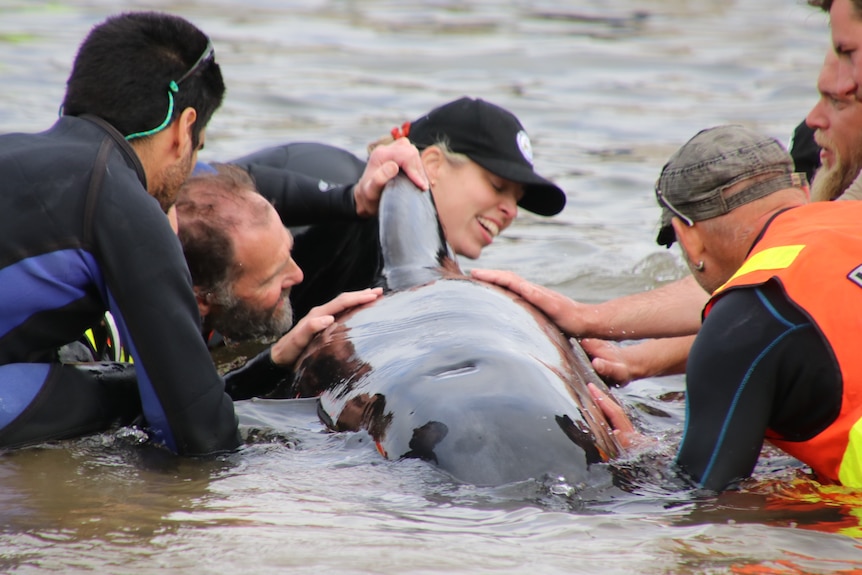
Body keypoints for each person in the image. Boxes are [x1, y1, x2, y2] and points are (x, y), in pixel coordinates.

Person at [498, 125, 862, 491]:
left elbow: (703, 498)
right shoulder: (850, 221)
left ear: (689, 239)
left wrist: (643, 458)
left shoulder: (742, 323)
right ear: (800, 191)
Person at [0, 12, 244, 453]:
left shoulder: (12, 148)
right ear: (184, 129)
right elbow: (198, 429)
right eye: (199, 146)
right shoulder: (117, 201)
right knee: (136, 387)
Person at [232, 96, 567, 320]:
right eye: (498, 187)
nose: (511, 211)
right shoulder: (336, 178)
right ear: (433, 164)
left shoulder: (426, 261)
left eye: (517, 198)